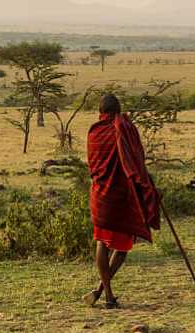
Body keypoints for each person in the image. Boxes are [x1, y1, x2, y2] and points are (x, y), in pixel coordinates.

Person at [83, 94, 161, 309]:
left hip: (99, 194)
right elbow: (133, 160)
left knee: (102, 241)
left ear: (101, 112)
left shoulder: (94, 131)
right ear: (118, 110)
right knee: (123, 246)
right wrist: (146, 182)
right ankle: (105, 293)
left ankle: (104, 292)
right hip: (119, 196)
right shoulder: (122, 128)